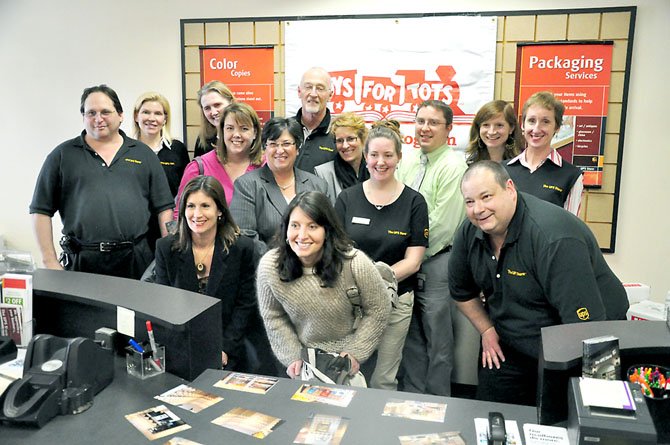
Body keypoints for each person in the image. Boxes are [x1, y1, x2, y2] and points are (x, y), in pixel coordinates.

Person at [449, 160, 628, 406]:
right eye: (470, 201)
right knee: (491, 413)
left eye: (486, 196)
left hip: (577, 340)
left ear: (510, 189)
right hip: (512, 341)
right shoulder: (469, 232)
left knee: (558, 420)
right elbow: (462, 292)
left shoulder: (553, 239)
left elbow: (587, 329)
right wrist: (487, 330)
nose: (478, 209)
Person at [29, 84, 174, 279]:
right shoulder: (62, 156)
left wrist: (168, 257)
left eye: (106, 112)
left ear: (121, 115)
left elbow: (164, 209)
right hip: (82, 262)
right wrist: (50, 261)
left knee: (135, 310)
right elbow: (40, 210)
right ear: (83, 117)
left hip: (136, 262)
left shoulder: (143, 154)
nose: (98, 119)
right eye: (91, 113)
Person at [256, 191, 390, 381]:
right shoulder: (270, 266)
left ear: (327, 230)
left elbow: (379, 309)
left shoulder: (354, 262)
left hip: (350, 356)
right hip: (302, 359)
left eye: (312, 226)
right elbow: (273, 315)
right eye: (295, 226)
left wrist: (355, 352)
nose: (302, 235)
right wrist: (293, 358)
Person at [335, 120, 429, 390]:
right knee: (348, 372)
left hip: (396, 300)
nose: (381, 161)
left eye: (388, 155)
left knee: (384, 378)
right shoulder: (347, 199)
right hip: (351, 302)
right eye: (374, 155)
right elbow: (336, 252)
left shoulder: (414, 202)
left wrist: (375, 278)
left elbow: (414, 261)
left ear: (399, 157)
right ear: (365, 158)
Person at [395, 100, 467, 396]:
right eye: (420, 121)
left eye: (433, 122)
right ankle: (412, 398)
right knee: (410, 338)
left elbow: (444, 223)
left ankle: (439, 402)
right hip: (406, 263)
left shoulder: (454, 166)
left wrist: (409, 251)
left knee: (438, 341)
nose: (424, 128)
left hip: (436, 263)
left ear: (449, 129)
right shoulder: (408, 160)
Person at [154, 175, 257, 370]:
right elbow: (164, 305)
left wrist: (225, 348)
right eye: (191, 206)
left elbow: (245, 306)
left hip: (228, 347)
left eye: (205, 206)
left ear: (219, 210)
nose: (197, 214)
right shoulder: (166, 248)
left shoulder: (241, 248)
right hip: (181, 347)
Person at [230, 117, 330, 258]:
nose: (279, 150)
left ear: (297, 148)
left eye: (286, 144)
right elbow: (244, 237)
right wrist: (282, 262)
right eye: (273, 144)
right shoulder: (247, 185)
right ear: (265, 148)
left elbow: (328, 230)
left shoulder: (317, 185)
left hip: (313, 267)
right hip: (267, 269)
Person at [175, 102, 263, 215]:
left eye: (244, 128)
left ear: (255, 133)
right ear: (221, 132)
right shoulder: (199, 167)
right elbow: (180, 213)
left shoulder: (266, 166)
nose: (236, 134)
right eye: (230, 128)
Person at [505, 91, 583, 215]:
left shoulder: (571, 176)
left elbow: (570, 229)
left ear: (557, 127)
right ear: (523, 125)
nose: (536, 129)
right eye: (531, 120)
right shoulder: (502, 170)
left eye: (545, 121)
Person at [133, 92, 190, 198]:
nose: (151, 118)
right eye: (146, 112)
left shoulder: (178, 149)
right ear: (136, 116)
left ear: (165, 119)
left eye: (158, 113)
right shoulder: (125, 149)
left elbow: (186, 189)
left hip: (170, 213)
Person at [314, 112, 369, 199]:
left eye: (350, 139)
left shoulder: (375, 169)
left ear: (362, 139)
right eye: (339, 141)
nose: (345, 145)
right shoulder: (323, 174)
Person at [293, 67, 337, 173]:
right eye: (308, 87)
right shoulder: (286, 130)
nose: (313, 94)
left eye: (320, 88)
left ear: (330, 95)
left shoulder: (338, 132)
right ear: (299, 92)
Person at [465, 100, 522, 165]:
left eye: (499, 125)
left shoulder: (522, 163)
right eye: (486, 125)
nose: (492, 132)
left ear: (511, 128)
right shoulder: (471, 163)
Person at [194, 80, 235, 157]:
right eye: (207, 108)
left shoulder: (247, 134)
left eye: (217, 105)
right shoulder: (203, 140)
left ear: (231, 103)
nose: (213, 112)